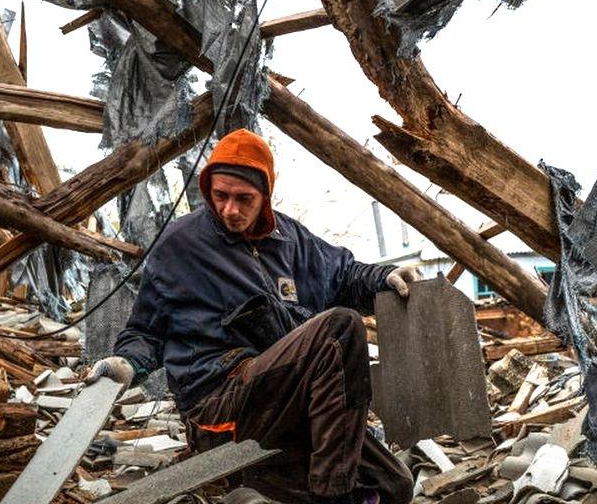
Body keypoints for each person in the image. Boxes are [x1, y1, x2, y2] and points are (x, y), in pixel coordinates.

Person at [87, 129, 419, 504]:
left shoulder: (292, 239)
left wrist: (385, 277)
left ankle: (256, 492)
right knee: (339, 327)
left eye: (244, 199)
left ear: (265, 195)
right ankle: (331, 495)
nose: (231, 209)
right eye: (221, 196)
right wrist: (127, 362)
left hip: (290, 403)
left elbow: (344, 275)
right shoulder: (181, 245)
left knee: (394, 486)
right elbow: (147, 330)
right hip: (220, 408)